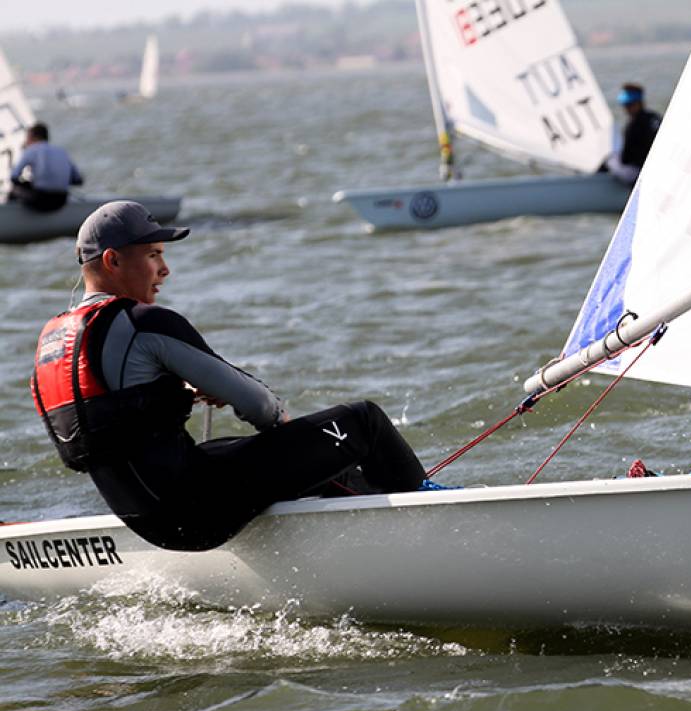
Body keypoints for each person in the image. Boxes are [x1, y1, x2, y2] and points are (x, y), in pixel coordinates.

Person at [31, 201, 426, 552]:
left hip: (148, 522)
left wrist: (181, 390)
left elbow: (114, 416)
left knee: (238, 450)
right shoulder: (144, 322)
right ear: (112, 261)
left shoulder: (53, 344)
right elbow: (258, 404)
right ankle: (429, 513)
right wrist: (286, 428)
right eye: (153, 255)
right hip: (200, 512)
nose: (165, 270)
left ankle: (358, 517)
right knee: (362, 422)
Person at [8, 122, 84, 212]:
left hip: (42, 200)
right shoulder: (61, 151)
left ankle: (11, 217)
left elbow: (14, 177)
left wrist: (28, 183)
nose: (26, 141)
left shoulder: (32, 150)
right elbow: (78, 180)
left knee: (14, 191)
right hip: (61, 201)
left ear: (33, 137)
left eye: (27, 138)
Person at [600, 83, 661, 184]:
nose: (626, 108)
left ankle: (596, 185)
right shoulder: (655, 117)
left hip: (638, 174)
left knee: (609, 160)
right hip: (657, 169)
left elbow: (625, 159)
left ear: (638, 103)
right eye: (625, 105)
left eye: (629, 105)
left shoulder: (633, 125)